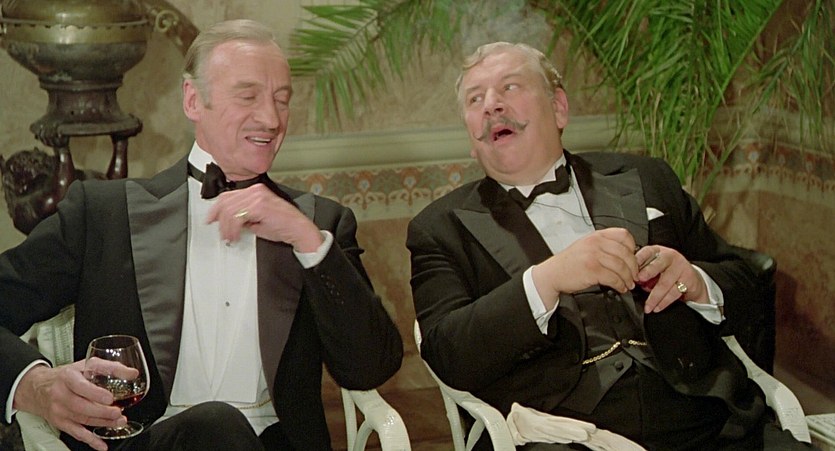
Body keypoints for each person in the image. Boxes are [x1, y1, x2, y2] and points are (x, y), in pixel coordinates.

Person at [0, 19, 403, 451]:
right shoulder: (102, 215)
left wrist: (307, 241)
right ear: (193, 99)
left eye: (281, 100)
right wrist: (34, 384)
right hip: (145, 443)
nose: (271, 119)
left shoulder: (321, 222)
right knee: (214, 424)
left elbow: (370, 368)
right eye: (248, 96)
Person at [407, 41, 812, 450]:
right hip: (564, 435)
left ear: (559, 108)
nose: (492, 105)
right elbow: (447, 353)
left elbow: (747, 285)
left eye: (510, 87)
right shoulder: (440, 228)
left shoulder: (647, 178)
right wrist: (545, 280)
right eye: (475, 99)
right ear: (471, 134)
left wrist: (696, 281)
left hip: (706, 420)